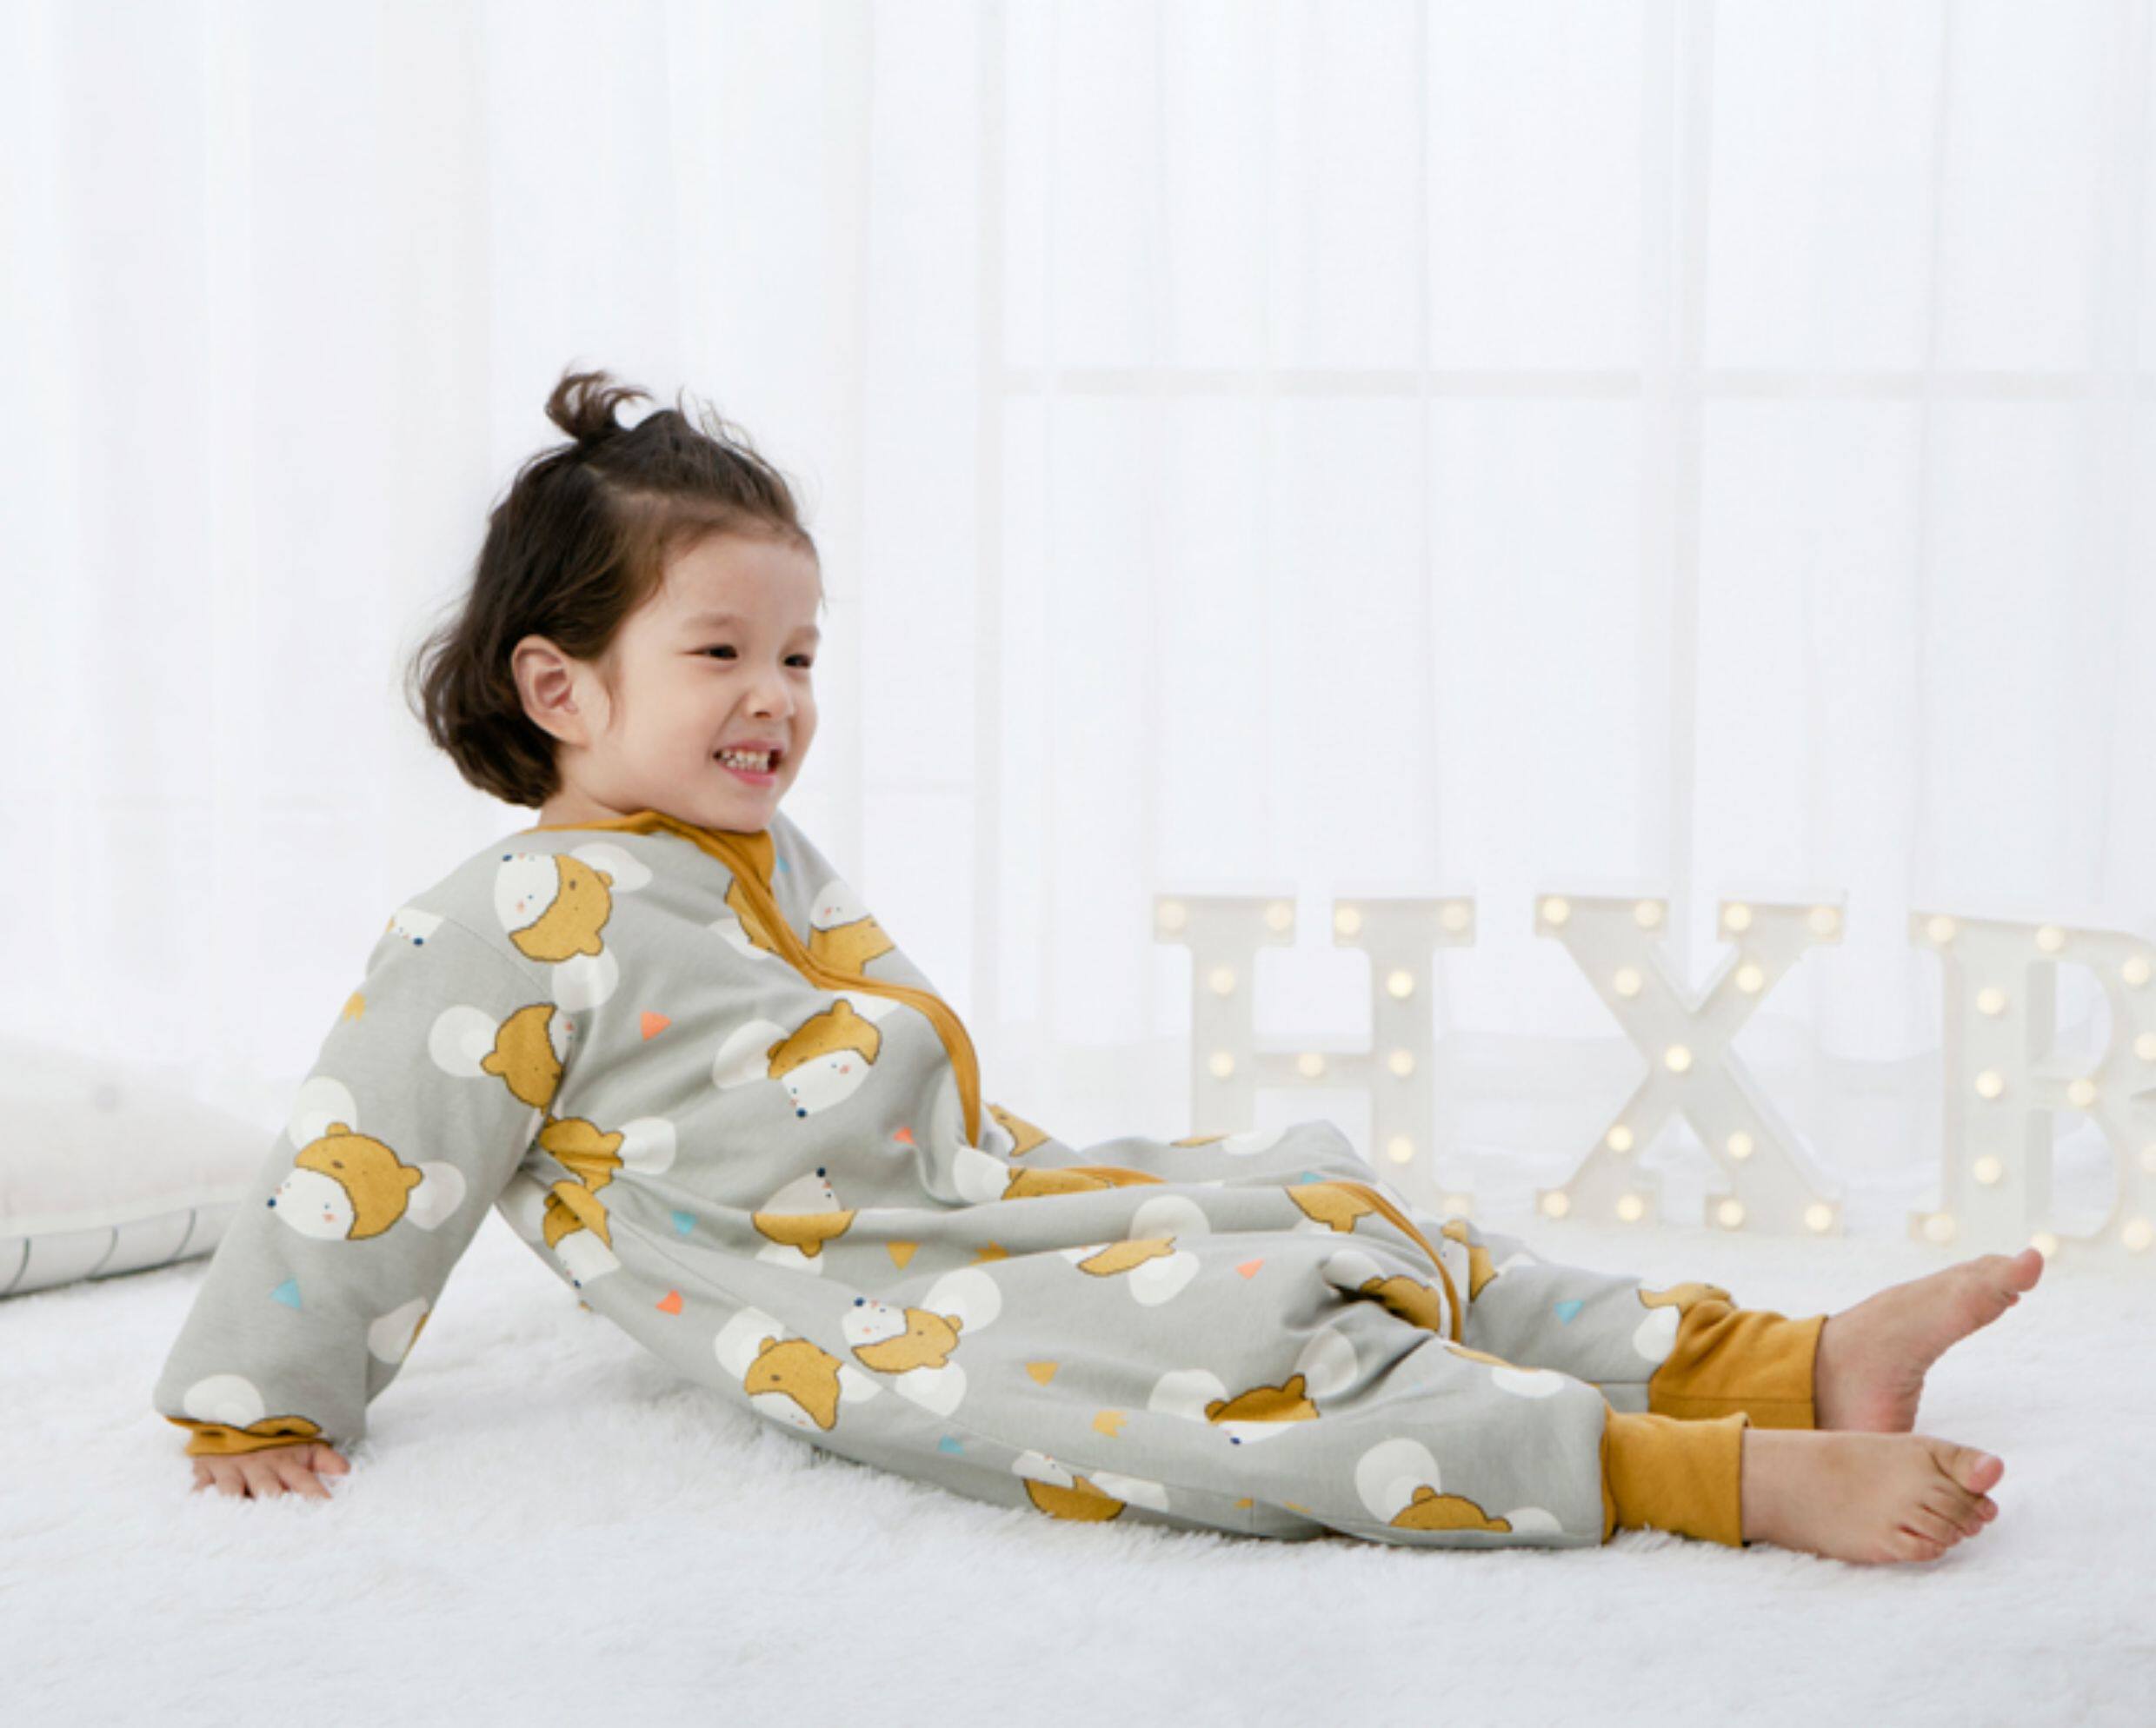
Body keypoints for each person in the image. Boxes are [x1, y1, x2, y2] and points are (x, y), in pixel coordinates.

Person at [154, 367, 2040, 1565]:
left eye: (799, 656)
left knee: (1319, 1205)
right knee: (1238, 1359)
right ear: (560, 686)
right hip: (836, 1303)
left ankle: (1785, 1361)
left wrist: (1043, 1193)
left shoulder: (753, 855)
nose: (775, 696)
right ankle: (1715, 1478)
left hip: (964, 1207)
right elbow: (367, 1159)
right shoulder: (498, 921)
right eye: (720, 652)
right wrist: (265, 1394)